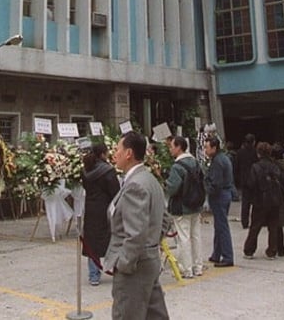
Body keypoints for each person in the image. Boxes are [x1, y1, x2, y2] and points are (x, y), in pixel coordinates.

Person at [103, 131, 170, 320]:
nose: (114, 154)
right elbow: (165, 218)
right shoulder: (149, 179)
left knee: (126, 314)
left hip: (135, 267)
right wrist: (152, 245)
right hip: (148, 261)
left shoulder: (136, 185)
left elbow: (135, 233)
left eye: (118, 149)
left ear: (128, 153)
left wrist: (124, 263)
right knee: (154, 315)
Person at [164, 136, 205, 278]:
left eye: (171, 146)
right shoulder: (195, 162)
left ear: (179, 147)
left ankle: (186, 269)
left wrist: (165, 183)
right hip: (196, 205)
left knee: (184, 238)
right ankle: (198, 266)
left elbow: (172, 188)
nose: (170, 149)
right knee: (196, 236)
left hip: (182, 207)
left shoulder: (177, 167)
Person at [82, 142, 120, 286]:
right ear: (103, 154)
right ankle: (116, 269)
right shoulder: (108, 171)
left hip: (90, 208)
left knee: (92, 241)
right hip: (105, 209)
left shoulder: (86, 170)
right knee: (112, 238)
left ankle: (93, 275)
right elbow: (115, 191)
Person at [242, 141, 282, 260]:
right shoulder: (274, 166)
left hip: (260, 200)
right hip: (274, 200)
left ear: (258, 153)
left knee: (255, 226)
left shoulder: (256, 167)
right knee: (273, 226)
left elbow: (251, 184)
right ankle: (272, 251)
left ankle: (249, 250)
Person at [203, 136, 235, 267]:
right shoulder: (223, 158)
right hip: (225, 194)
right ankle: (217, 253)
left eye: (207, 147)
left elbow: (215, 184)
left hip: (219, 196)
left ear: (214, 148)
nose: (205, 150)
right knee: (219, 225)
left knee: (222, 227)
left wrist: (206, 187)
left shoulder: (217, 162)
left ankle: (227, 256)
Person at [234, 134, 257, 229]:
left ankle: (245, 222)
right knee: (256, 202)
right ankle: (255, 221)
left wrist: (237, 178)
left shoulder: (239, 152)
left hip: (244, 180)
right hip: (254, 179)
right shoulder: (255, 152)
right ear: (253, 142)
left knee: (245, 202)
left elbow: (236, 166)